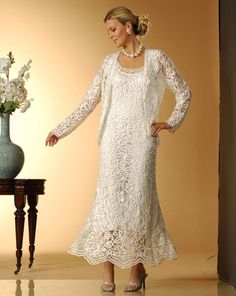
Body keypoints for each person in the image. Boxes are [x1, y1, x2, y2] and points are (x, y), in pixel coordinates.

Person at [45, 6, 191, 293]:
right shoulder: (108, 64)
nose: (110, 35)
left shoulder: (156, 59)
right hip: (112, 142)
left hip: (143, 141)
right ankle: (108, 268)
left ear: (128, 27)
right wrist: (60, 129)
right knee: (109, 203)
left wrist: (170, 122)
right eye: (108, 31)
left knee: (139, 202)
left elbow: (184, 91)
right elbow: (89, 101)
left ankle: (138, 268)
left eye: (113, 29)